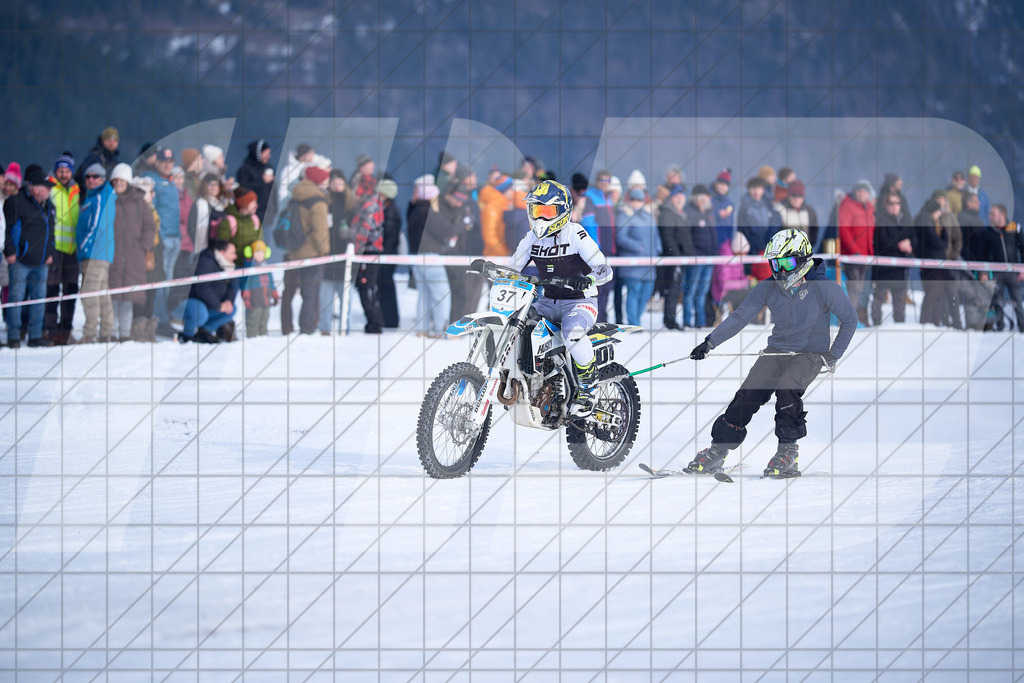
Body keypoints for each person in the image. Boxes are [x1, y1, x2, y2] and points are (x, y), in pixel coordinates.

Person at [687, 229, 858, 478]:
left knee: (787, 388)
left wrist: (834, 355)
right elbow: (740, 317)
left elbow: (850, 320)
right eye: (775, 263)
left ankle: (788, 452)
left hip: (810, 353)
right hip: (776, 351)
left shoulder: (823, 287)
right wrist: (710, 342)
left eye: (787, 262)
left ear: (802, 258)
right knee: (748, 393)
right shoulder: (769, 287)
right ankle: (719, 450)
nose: (780, 269)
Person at [506, 180, 613, 416]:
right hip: (547, 302)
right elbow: (512, 269)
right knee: (518, 326)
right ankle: (535, 378)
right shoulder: (532, 237)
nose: (541, 218)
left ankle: (588, 387)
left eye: (548, 212)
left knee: (572, 332)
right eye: (537, 211)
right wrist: (493, 271)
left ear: (563, 211)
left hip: (580, 302)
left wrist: (589, 279)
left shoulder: (576, 234)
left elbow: (605, 269)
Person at [4, 165, 57, 347]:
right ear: (34, 188)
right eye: (46, 187)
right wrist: (10, 252)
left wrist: (50, 252)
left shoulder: (50, 206)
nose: (49, 190)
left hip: (41, 261)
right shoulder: (15, 202)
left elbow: (52, 232)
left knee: (39, 297)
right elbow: (7, 230)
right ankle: (13, 335)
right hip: (20, 261)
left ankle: (35, 335)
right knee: (16, 297)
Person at [108, 163, 157, 342]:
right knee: (112, 295)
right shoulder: (108, 199)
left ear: (128, 181)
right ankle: (112, 332)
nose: (119, 183)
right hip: (113, 254)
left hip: (133, 255)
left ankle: (125, 333)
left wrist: (142, 246)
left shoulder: (139, 203)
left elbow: (150, 226)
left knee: (128, 296)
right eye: (116, 180)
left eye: (122, 180)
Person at [282, 165, 330, 334]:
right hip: (312, 253)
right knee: (310, 292)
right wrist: (325, 251)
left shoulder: (295, 195)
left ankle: (286, 328)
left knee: (289, 292)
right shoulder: (317, 200)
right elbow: (320, 231)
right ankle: (307, 328)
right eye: (325, 179)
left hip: (294, 251)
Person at [75, 163, 117, 343]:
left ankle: (90, 333)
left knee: (89, 294)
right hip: (96, 254)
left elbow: (96, 226)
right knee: (101, 293)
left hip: (95, 253)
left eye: (95, 177)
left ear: (103, 178)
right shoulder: (92, 196)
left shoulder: (101, 197)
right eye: (88, 177)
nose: (91, 180)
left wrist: (83, 246)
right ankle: (106, 332)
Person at [45, 153, 80, 344]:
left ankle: (66, 330)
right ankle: (50, 329)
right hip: (55, 246)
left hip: (72, 248)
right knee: (51, 289)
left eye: (67, 171)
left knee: (71, 290)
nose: (63, 174)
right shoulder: (50, 187)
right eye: (61, 170)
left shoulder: (76, 189)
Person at [615, 187, 660, 326]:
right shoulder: (624, 215)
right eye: (633, 200)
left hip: (649, 263)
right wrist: (637, 247)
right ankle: (633, 322)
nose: (636, 203)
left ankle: (638, 319)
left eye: (639, 200)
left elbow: (656, 235)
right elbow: (621, 237)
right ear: (629, 200)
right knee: (634, 293)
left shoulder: (649, 216)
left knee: (646, 294)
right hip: (633, 264)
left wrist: (658, 249)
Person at [181, 239, 238, 343]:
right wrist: (218, 306)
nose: (235, 256)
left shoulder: (228, 266)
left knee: (232, 309)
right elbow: (203, 288)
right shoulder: (205, 261)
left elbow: (233, 285)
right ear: (222, 252)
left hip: (210, 305)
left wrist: (229, 301)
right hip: (189, 301)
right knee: (201, 312)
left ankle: (204, 331)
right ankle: (187, 335)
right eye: (232, 253)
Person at [979, 204, 1024, 332]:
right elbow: (983, 254)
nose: (990, 217)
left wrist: (1022, 268)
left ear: (1002, 215)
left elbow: (1023, 249)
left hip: (1013, 272)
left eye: (993, 214)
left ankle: (1022, 326)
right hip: (995, 272)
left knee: (1017, 301)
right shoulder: (987, 232)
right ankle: (1000, 326)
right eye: (990, 214)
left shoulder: (1015, 228)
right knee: (996, 301)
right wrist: (984, 272)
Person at [871, 190, 913, 325]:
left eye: (897, 203)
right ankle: (876, 326)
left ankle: (900, 326)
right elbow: (883, 241)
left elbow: (911, 237)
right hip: (883, 267)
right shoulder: (881, 219)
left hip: (899, 268)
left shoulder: (903, 220)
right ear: (886, 204)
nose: (894, 205)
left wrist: (909, 245)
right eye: (891, 203)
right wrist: (901, 245)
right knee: (879, 298)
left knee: (900, 301)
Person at [838, 180, 876, 324]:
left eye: (865, 191)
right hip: (852, 255)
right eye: (859, 191)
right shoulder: (847, 206)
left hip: (865, 256)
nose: (862, 194)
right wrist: (854, 251)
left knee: (861, 288)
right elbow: (844, 231)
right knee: (854, 287)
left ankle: (851, 319)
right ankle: (846, 321)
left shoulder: (869, 208)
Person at [657, 184, 691, 329]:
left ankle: (672, 318)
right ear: (671, 198)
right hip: (672, 259)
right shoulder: (667, 213)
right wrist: (677, 255)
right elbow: (668, 237)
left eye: (681, 197)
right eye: (676, 197)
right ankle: (669, 320)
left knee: (677, 290)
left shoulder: (680, 214)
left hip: (681, 258)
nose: (679, 200)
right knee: (671, 289)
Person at [683, 184, 716, 328]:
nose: (704, 200)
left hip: (709, 258)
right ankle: (687, 321)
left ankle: (700, 322)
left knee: (702, 292)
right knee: (691, 291)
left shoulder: (709, 213)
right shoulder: (689, 212)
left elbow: (713, 234)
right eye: (702, 198)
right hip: (696, 258)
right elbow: (687, 235)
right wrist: (692, 253)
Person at [915, 199, 948, 326]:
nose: (940, 214)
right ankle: (926, 322)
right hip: (932, 263)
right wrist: (944, 238)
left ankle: (934, 321)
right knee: (933, 293)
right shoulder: (925, 220)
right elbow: (936, 242)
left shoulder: (924, 219)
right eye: (939, 211)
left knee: (936, 293)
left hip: (933, 262)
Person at [240, 240, 278, 337]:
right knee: (253, 319)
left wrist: (275, 295)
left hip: (266, 300)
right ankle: (252, 337)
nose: (260, 254)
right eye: (257, 252)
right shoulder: (249, 268)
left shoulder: (267, 267)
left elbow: (272, 283)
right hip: (254, 300)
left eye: (262, 252)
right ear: (251, 253)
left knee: (264, 318)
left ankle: (263, 337)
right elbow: (246, 284)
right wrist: (246, 298)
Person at [236, 139, 274, 221]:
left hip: (269, 215)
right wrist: (263, 182)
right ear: (258, 154)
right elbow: (247, 194)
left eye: (269, 153)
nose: (269, 156)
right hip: (253, 216)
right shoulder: (244, 171)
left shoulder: (268, 168)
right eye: (266, 153)